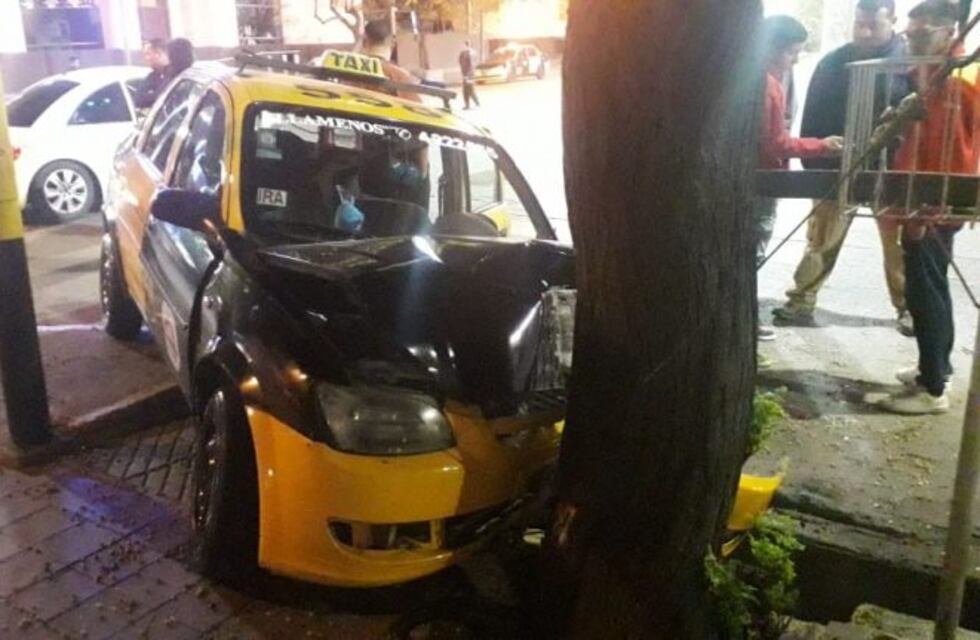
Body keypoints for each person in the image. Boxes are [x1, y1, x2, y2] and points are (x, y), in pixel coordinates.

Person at [772, 0, 913, 335]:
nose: (863, 32)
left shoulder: (909, 65)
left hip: (891, 169)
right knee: (821, 239)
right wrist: (815, 163)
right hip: (838, 165)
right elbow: (814, 115)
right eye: (859, 24)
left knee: (898, 245)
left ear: (892, 21)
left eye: (873, 25)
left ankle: (908, 308)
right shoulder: (834, 62)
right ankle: (802, 298)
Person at [878, 0, 979, 415]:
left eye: (921, 34)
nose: (913, 40)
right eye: (910, 34)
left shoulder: (957, 78)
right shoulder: (935, 71)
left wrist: (926, 208)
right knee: (932, 282)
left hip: (933, 197)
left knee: (923, 288)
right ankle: (934, 368)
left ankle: (933, 388)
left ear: (946, 30)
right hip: (925, 194)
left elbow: (946, 150)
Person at [757, 16, 843, 343]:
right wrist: (822, 146)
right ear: (773, 49)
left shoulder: (758, 79)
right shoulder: (767, 86)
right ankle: (743, 320)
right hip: (763, 180)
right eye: (792, 52)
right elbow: (774, 143)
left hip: (757, 177)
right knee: (752, 251)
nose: (794, 59)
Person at [362, 19, 422, 103]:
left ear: (364, 42)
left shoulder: (345, 71)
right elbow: (416, 110)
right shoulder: (399, 76)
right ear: (393, 43)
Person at [134, 39, 170, 109]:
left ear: (158, 53)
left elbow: (165, 96)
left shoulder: (176, 74)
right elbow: (138, 99)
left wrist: (153, 95)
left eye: (148, 54)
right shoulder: (153, 76)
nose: (146, 59)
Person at [459, 41, 480, 109]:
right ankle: (467, 105)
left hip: (470, 75)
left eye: (464, 45)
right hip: (465, 74)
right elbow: (460, 62)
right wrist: (463, 73)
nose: (463, 46)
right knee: (465, 90)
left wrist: (467, 75)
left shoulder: (471, 53)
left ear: (468, 45)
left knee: (470, 89)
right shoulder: (463, 53)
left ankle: (477, 103)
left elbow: (471, 65)